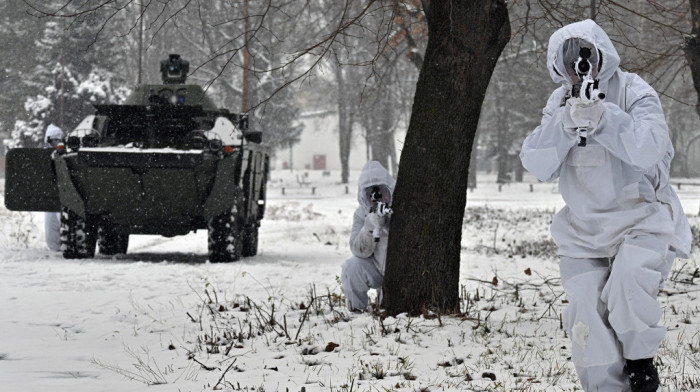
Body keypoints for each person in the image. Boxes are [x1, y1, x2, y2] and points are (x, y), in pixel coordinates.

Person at [520, 19, 692, 392]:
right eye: (569, 60)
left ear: (600, 56)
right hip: (583, 230)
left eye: (585, 55)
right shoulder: (557, 102)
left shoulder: (633, 90)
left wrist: (605, 118)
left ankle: (640, 364)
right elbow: (536, 162)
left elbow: (650, 150)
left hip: (642, 218)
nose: (579, 66)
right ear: (558, 67)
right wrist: (565, 123)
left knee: (627, 287)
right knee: (585, 312)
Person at [340, 161, 395, 312]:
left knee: (390, 307)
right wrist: (370, 227)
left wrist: (389, 224)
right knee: (351, 267)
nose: (377, 197)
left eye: (382, 192)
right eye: (370, 193)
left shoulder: (402, 208)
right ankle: (356, 310)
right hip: (376, 267)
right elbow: (358, 251)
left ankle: (388, 313)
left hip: (399, 269)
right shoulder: (361, 214)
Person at [44, 123, 64, 252]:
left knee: (62, 218)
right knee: (51, 220)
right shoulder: (45, 154)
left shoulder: (65, 152)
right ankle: (54, 245)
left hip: (64, 191)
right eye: (53, 140)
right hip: (51, 191)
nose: (55, 143)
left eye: (58, 140)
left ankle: (62, 243)